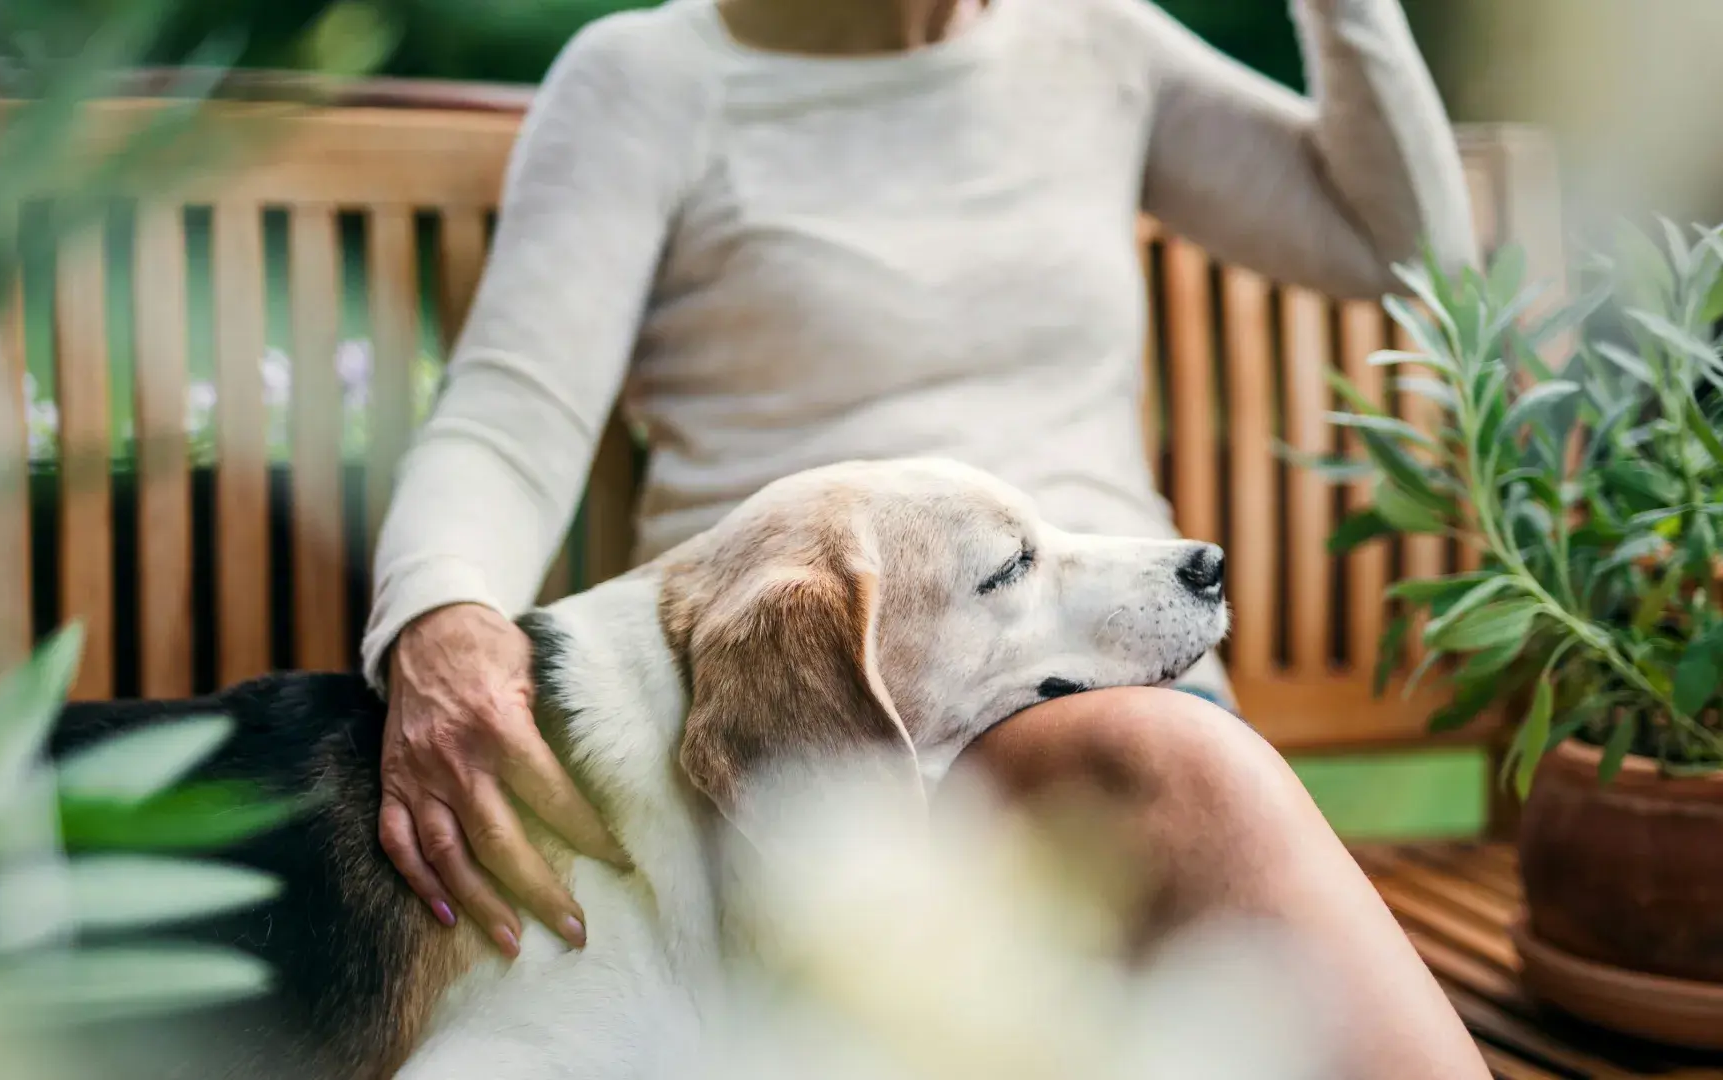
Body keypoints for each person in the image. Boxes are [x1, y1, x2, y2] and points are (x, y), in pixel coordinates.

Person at [361, 0, 1486, 1075]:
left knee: (1178, 774)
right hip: (827, 718)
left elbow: (1403, 245)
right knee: (1186, 771)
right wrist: (442, 619)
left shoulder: (1098, 43)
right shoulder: (648, 80)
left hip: (1117, 662)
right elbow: (510, 419)